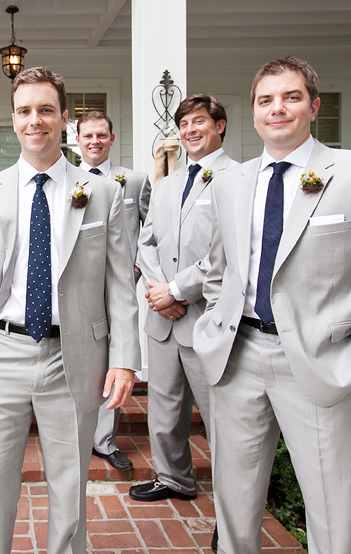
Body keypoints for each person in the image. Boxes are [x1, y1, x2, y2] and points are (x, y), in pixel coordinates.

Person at [192, 57, 351, 553]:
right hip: (237, 358)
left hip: (322, 362)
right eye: (266, 100)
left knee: (334, 509)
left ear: (313, 106)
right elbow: (219, 268)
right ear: (253, 113)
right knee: (234, 505)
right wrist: (217, 320)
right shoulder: (231, 182)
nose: (278, 109)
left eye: (291, 97)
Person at [0, 66, 140, 554]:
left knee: (70, 486)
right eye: (24, 111)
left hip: (73, 358)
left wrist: (123, 358)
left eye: (45, 110)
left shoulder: (103, 192)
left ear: (64, 120)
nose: (34, 120)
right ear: (13, 119)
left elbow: (120, 284)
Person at [131, 94, 238, 507]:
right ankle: (173, 478)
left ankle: (234, 508)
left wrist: (177, 291)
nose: (191, 131)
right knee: (164, 407)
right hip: (163, 319)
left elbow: (227, 251)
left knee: (220, 417)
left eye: (199, 122)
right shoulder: (168, 184)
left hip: (207, 319)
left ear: (220, 126)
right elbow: (147, 241)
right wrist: (160, 293)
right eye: (185, 125)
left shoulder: (237, 178)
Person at [75, 110, 150, 472]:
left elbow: (152, 230)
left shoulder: (133, 181)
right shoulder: (66, 179)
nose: (94, 141)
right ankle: (75, 435)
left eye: (101, 135)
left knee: (113, 359)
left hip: (120, 285)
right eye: (88, 136)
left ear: (111, 138)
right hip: (79, 288)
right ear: (77, 140)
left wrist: (138, 266)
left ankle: (104, 440)